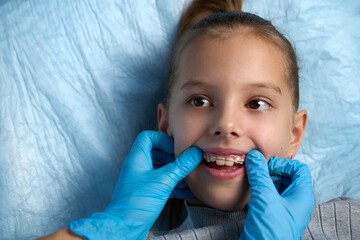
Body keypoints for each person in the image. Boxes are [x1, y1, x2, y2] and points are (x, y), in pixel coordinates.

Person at [40, 1, 359, 239]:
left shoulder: (346, 220)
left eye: (256, 102)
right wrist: (109, 228)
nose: (226, 123)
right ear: (165, 125)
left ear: (294, 134)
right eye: (200, 101)